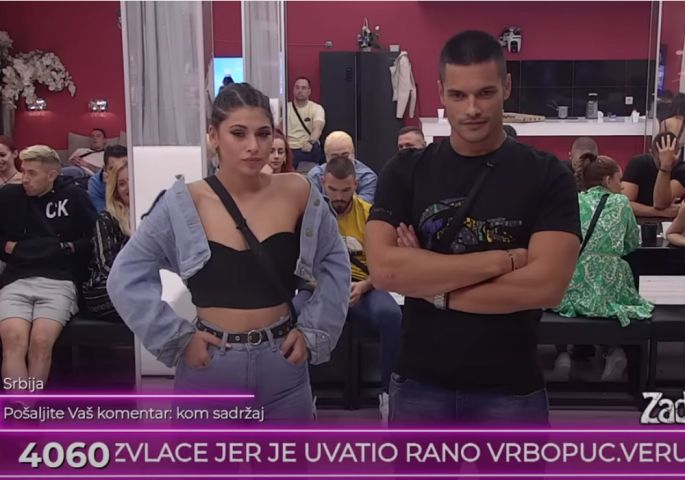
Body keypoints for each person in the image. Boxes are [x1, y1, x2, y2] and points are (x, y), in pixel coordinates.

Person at [365, 30, 581, 425]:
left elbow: (546, 286)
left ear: (506, 87)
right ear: (440, 93)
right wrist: (502, 261)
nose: (472, 109)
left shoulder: (549, 175)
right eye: (458, 95)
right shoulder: (405, 172)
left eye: (485, 93)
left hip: (512, 386)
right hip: (419, 382)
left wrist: (430, 283)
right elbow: (386, 271)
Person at [107, 83, 350, 422]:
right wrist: (176, 338)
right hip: (211, 367)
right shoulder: (184, 201)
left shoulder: (298, 191)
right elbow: (125, 276)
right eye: (238, 133)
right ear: (213, 136)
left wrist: (314, 331)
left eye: (263, 134)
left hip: (282, 365)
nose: (253, 146)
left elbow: (336, 263)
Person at [0, 145, 97, 390]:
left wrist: (65, 248)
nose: (25, 178)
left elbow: (93, 238)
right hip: (17, 279)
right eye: (23, 171)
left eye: (32, 173)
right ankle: (21, 406)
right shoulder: (9, 197)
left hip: (59, 280)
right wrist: (8, 247)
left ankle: (29, 405)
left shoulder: (74, 196)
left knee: (41, 342)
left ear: (52, 175)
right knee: (13, 341)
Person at [554, 153, 653, 382]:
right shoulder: (622, 202)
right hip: (611, 281)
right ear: (608, 180)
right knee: (614, 304)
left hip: (575, 276)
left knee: (557, 301)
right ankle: (613, 350)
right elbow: (631, 243)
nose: (622, 186)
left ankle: (562, 355)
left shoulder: (576, 200)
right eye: (619, 180)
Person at [321, 155, 402, 422]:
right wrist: (328, 288)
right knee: (294, 312)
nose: (339, 197)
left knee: (391, 316)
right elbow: (304, 265)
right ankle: (304, 391)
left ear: (356, 185)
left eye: (345, 190)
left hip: (366, 286)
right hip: (324, 288)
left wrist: (366, 285)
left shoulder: (370, 215)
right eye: (333, 190)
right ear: (323, 184)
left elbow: (385, 263)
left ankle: (388, 393)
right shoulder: (313, 216)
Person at [82, 162, 130, 320]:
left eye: (131, 180)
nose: (128, 187)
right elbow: (107, 266)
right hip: (106, 286)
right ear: (115, 190)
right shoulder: (106, 219)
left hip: (142, 283)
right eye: (121, 184)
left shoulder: (152, 215)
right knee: (142, 295)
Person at [622, 132, 684, 218]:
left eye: (671, 159)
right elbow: (624, 204)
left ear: (677, 154)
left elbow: (660, 203)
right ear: (651, 153)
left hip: (668, 223)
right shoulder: (637, 163)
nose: (665, 161)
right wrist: (658, 212)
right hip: (638, 220)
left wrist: (665, 167)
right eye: (660, 159)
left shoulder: (682, 169)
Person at [307, 131, 377, 203]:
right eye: (335, 157)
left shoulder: (368, 177)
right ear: (326, 157)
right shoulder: (315, 176)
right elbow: (312, 206)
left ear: (353, 153)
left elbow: (365, 207)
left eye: (345, 156)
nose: (341, 161)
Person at [287, 77, 325, 169]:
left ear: (309, 91)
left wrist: (310, 142)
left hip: (307, 146)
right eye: (297, 87)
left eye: (303, 88)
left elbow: (317, 128)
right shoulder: (285, 108)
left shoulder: (316, 108)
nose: (300, 90)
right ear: (293, 90)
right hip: (289, 147)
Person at [88, 145, 128, 213]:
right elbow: (103, 214)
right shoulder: (95, 183)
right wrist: (109, 188)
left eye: (123, 167)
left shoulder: (136, 177)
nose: (118, 173)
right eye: (112, 168)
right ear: (105, 169)